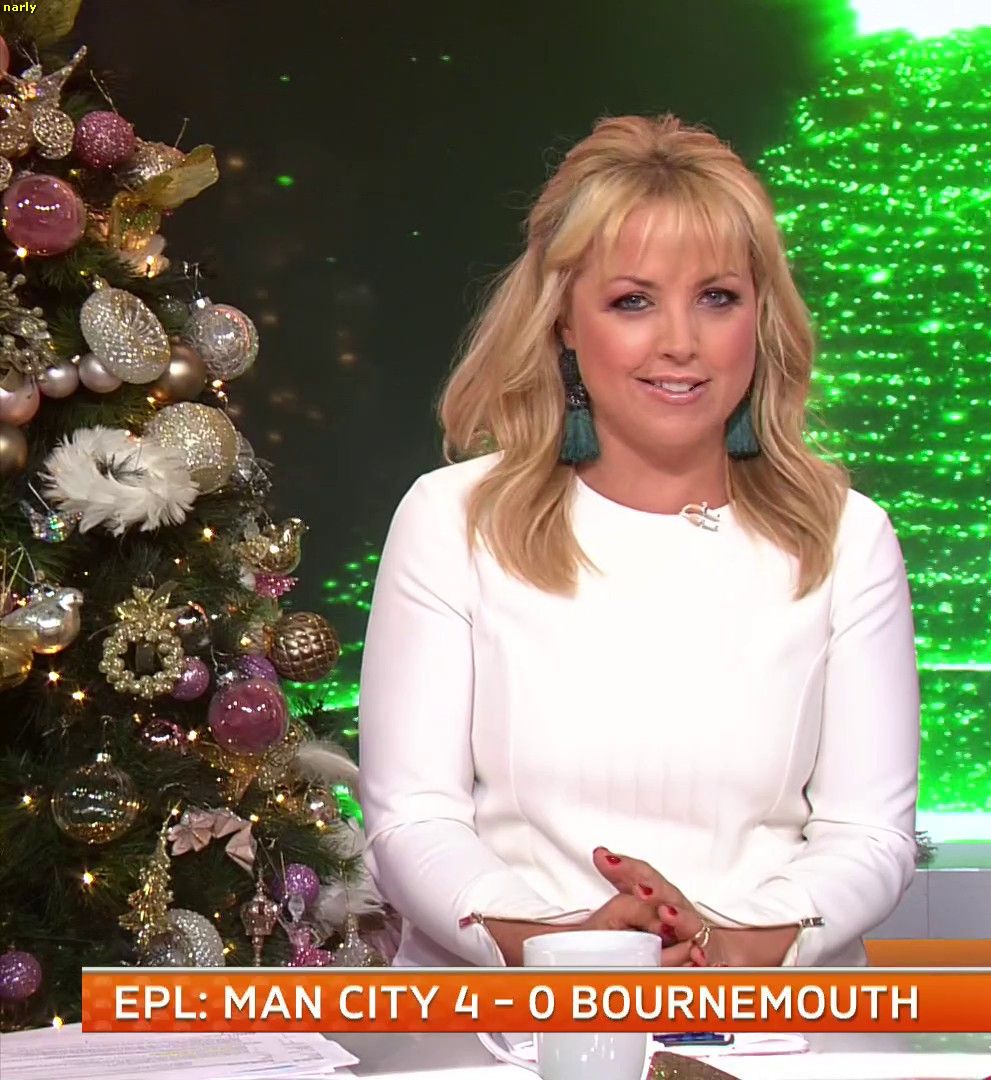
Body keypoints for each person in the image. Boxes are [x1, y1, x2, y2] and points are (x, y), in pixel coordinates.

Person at [359, 115, 920, 969]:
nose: (680, 343)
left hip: (767, 1006)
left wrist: (728, 947)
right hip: (511, 1005)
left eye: (717, 298)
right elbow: (414, 820)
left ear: (760, 316)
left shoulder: (846, 536)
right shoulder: (454, 519)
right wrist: (570, 949)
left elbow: (870, 835)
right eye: (634, 301)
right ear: (563, 320)